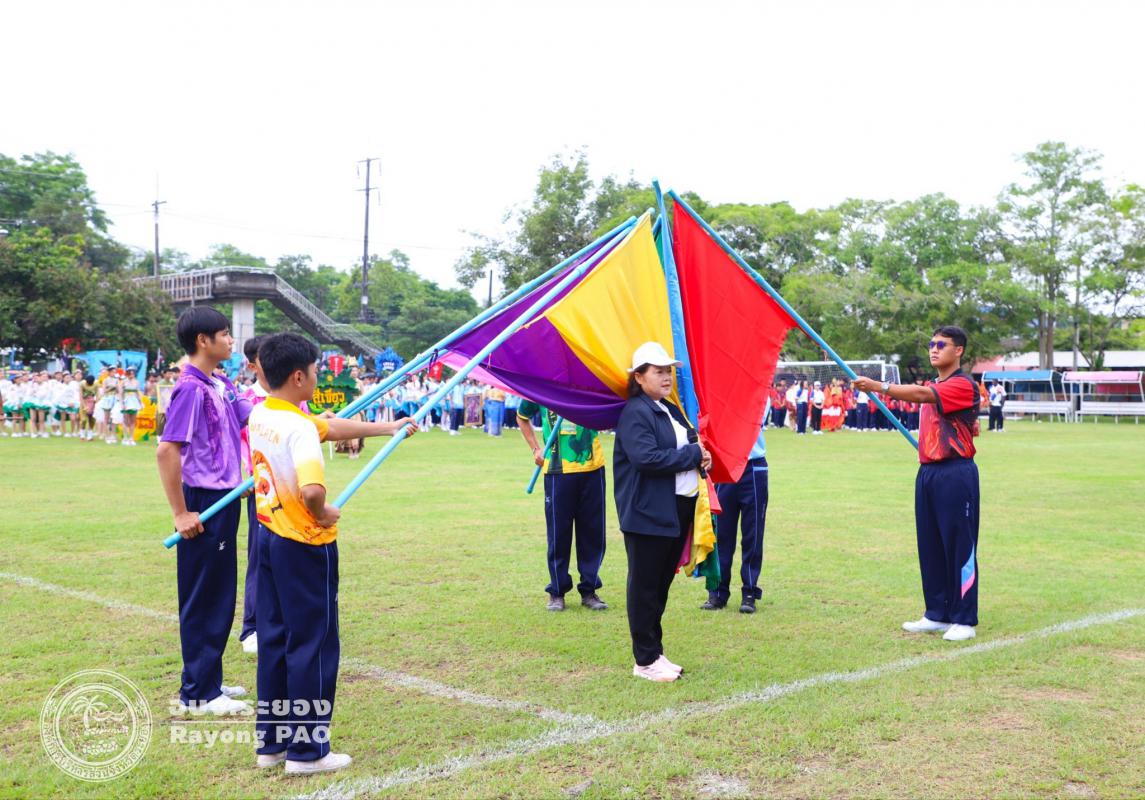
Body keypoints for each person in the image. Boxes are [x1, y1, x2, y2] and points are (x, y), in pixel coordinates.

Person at [248, 332, 416, 774]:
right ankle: (307, 752)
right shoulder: (299, 428)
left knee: (275, 641)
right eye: (315, 371)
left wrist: (389, 427)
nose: (318, 377)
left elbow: (332, 427)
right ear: (298, 377)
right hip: (305, 546)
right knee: (314, 645)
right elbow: (311, 490)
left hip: (269, 539)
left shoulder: (264, 413)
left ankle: (272, 744)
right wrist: (324, 512)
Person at [852, 325, 981, 642]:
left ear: (958, 350)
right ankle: (937, 613)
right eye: (931, 344)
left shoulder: (962, 384)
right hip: (928, 472)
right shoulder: (934, 384)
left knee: (959, 545)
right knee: (930, 545)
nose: (934, 349)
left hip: (956, 473)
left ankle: (964, 619)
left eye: (941, 344)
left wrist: (880, 386)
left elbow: (923, 396)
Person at [156, 307, 253, 715]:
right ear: (203, 341)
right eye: (225, 334)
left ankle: (207, 679)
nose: (231, 340)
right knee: (204, 596)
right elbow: (167, 451)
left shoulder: (220, 382)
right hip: (204, 503)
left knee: (220, 592)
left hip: (227, 499)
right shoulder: (190, 389)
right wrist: (181, 513)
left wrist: (307, 420)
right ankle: (198, 692)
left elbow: (253, 418)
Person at [614, 342, 712, 682]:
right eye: (658, 371)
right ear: (639, 377)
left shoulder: (669, 408)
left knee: (659, 586)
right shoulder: (635, 412)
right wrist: (692, 456)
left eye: (668, 370)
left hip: (675, 509)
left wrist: (702, 457)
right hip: (647, 513)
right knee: (645, 587)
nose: (666, 376)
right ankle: (644, 660)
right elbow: (647, 458)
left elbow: (691, 446)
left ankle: (654, 652)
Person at [517, 400, 608, 612]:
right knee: (558, 535)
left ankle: (589, 590)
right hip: (557, 470)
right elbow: (522, 417)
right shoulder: (540, 388)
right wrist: (535, 449)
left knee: (593, 534)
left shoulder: (588, 387)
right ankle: (557, 591)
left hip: (592, 468)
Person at [703, 410, 769, 614]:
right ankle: (717, 592)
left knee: (753, 534)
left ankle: (749, 591)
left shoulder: (760, 394)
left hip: (753, 466)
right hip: (725, 465)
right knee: (721, 533)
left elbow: (754, 417)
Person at [120, 367, 144, 445]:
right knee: (126, 420)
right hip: (126, 401)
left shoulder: (136, 382)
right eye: (130, 373)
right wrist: (122, 403)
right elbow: (121, 393)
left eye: (133, 373)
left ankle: (131, 438)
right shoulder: (123, 382)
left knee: (133, 421)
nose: (131, 375)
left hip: (134, 402)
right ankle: (125, 438)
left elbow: (137, 393)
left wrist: (141, 403)